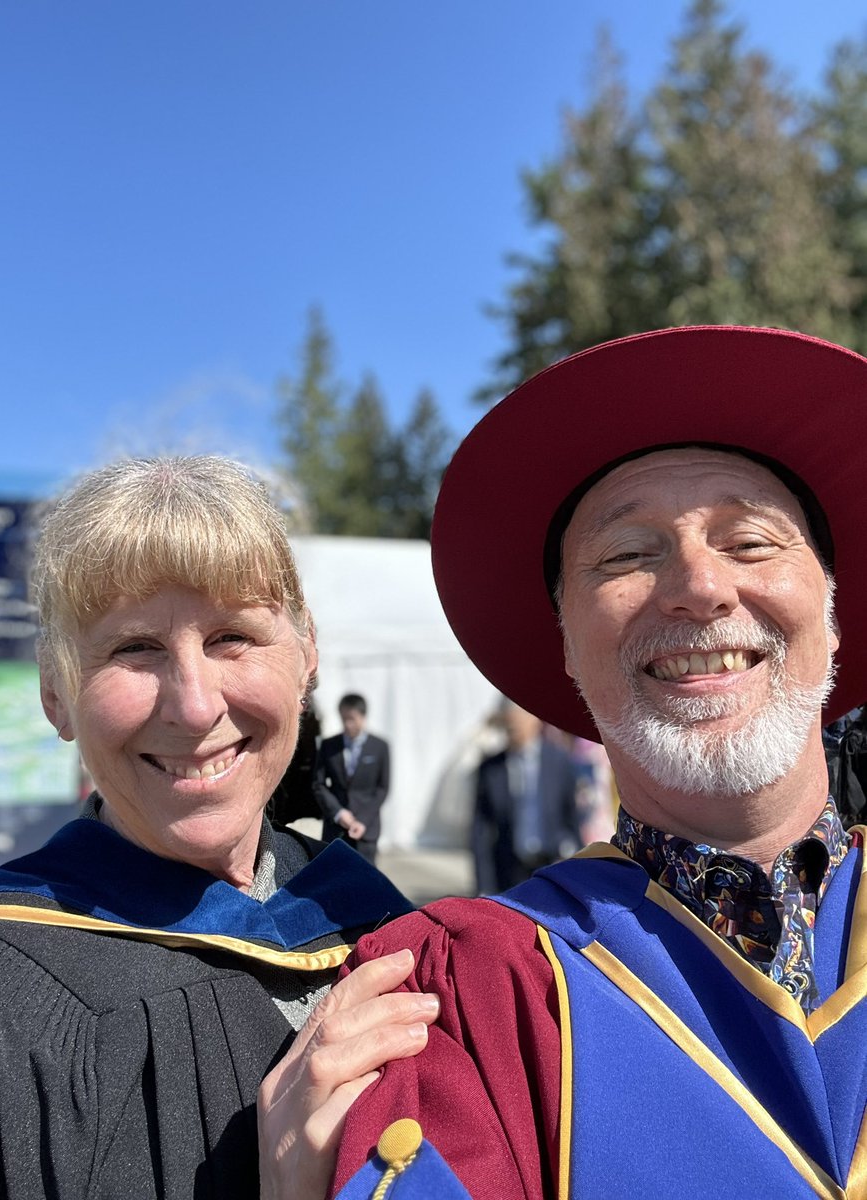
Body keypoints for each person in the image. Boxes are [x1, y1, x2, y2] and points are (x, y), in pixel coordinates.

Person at [323, 326, 867, 1199]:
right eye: (626, 555)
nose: (699, 585)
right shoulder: (467, 999)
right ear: (567, 645)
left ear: (835, 612)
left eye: (752, 541)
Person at [0, 456, 439, 1199]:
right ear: (55, 693)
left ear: (307, 651)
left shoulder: (377, 919)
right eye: (134, 648)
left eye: (233, 637)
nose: (193, 706)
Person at [472, 700, 581, 893]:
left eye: (518, 722)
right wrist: (483, 886)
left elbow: (570, 817)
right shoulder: (492, 768)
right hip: (509, 869)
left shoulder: (558, 761)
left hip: (550, 864)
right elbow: (481, 831)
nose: (513, 729)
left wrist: (573, 857)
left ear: (535, 721)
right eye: (509, 725)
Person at [314, 693, 390, 863]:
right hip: (335, 829)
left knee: (365, 883)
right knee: (332, 879)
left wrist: (362, 820)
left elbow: (382, 789)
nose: (347, 724)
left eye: (352, 719)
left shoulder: (380, 747)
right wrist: (339, 813)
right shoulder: (329, 745)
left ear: (363, 717)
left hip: (366, 830)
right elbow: (318, 784)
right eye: (343, 719)